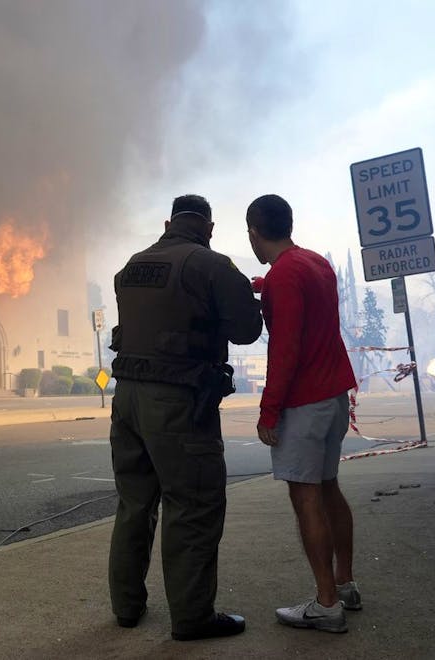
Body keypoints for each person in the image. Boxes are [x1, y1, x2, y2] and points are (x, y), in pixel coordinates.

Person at [108, 194, 262, 641]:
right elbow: (247, 329)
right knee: (192, 505)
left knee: (134, 504)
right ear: (209, 228)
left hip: (127, 399)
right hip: (178, 402)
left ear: (168, 223)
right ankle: (193, 617)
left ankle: (126, 607)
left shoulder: (131, 266)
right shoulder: (211, 265)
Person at [245, 194, 361, 634]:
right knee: (329, 487)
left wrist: (268, 410)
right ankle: (345, 584)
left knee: (305, 497)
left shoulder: (284, 277)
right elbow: (304, 301)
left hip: (304, 403)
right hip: (334, 397)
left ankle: (326, 603)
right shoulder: (315, 263)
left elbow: (286, 349)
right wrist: (264, 285)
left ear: (254, 233)